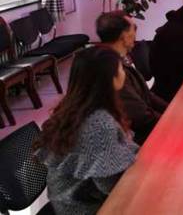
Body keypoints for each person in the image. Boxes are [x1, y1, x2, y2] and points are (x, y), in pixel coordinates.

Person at [34, 47, 138, 215]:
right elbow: (111, 187)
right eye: (120, 68)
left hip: (65, 202)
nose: (124, 72)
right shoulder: (98, 124)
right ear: (109, 79)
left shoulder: (76, 107)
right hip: (82, 208)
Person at [96, 11, 168, 145]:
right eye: (134, 28)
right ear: (123, 36)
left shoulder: (121, 58)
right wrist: (170, 122)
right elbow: (139, 115)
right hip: (137, 138)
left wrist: (170, 110)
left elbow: (146, 95)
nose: (135, 33)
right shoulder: (112, 68)